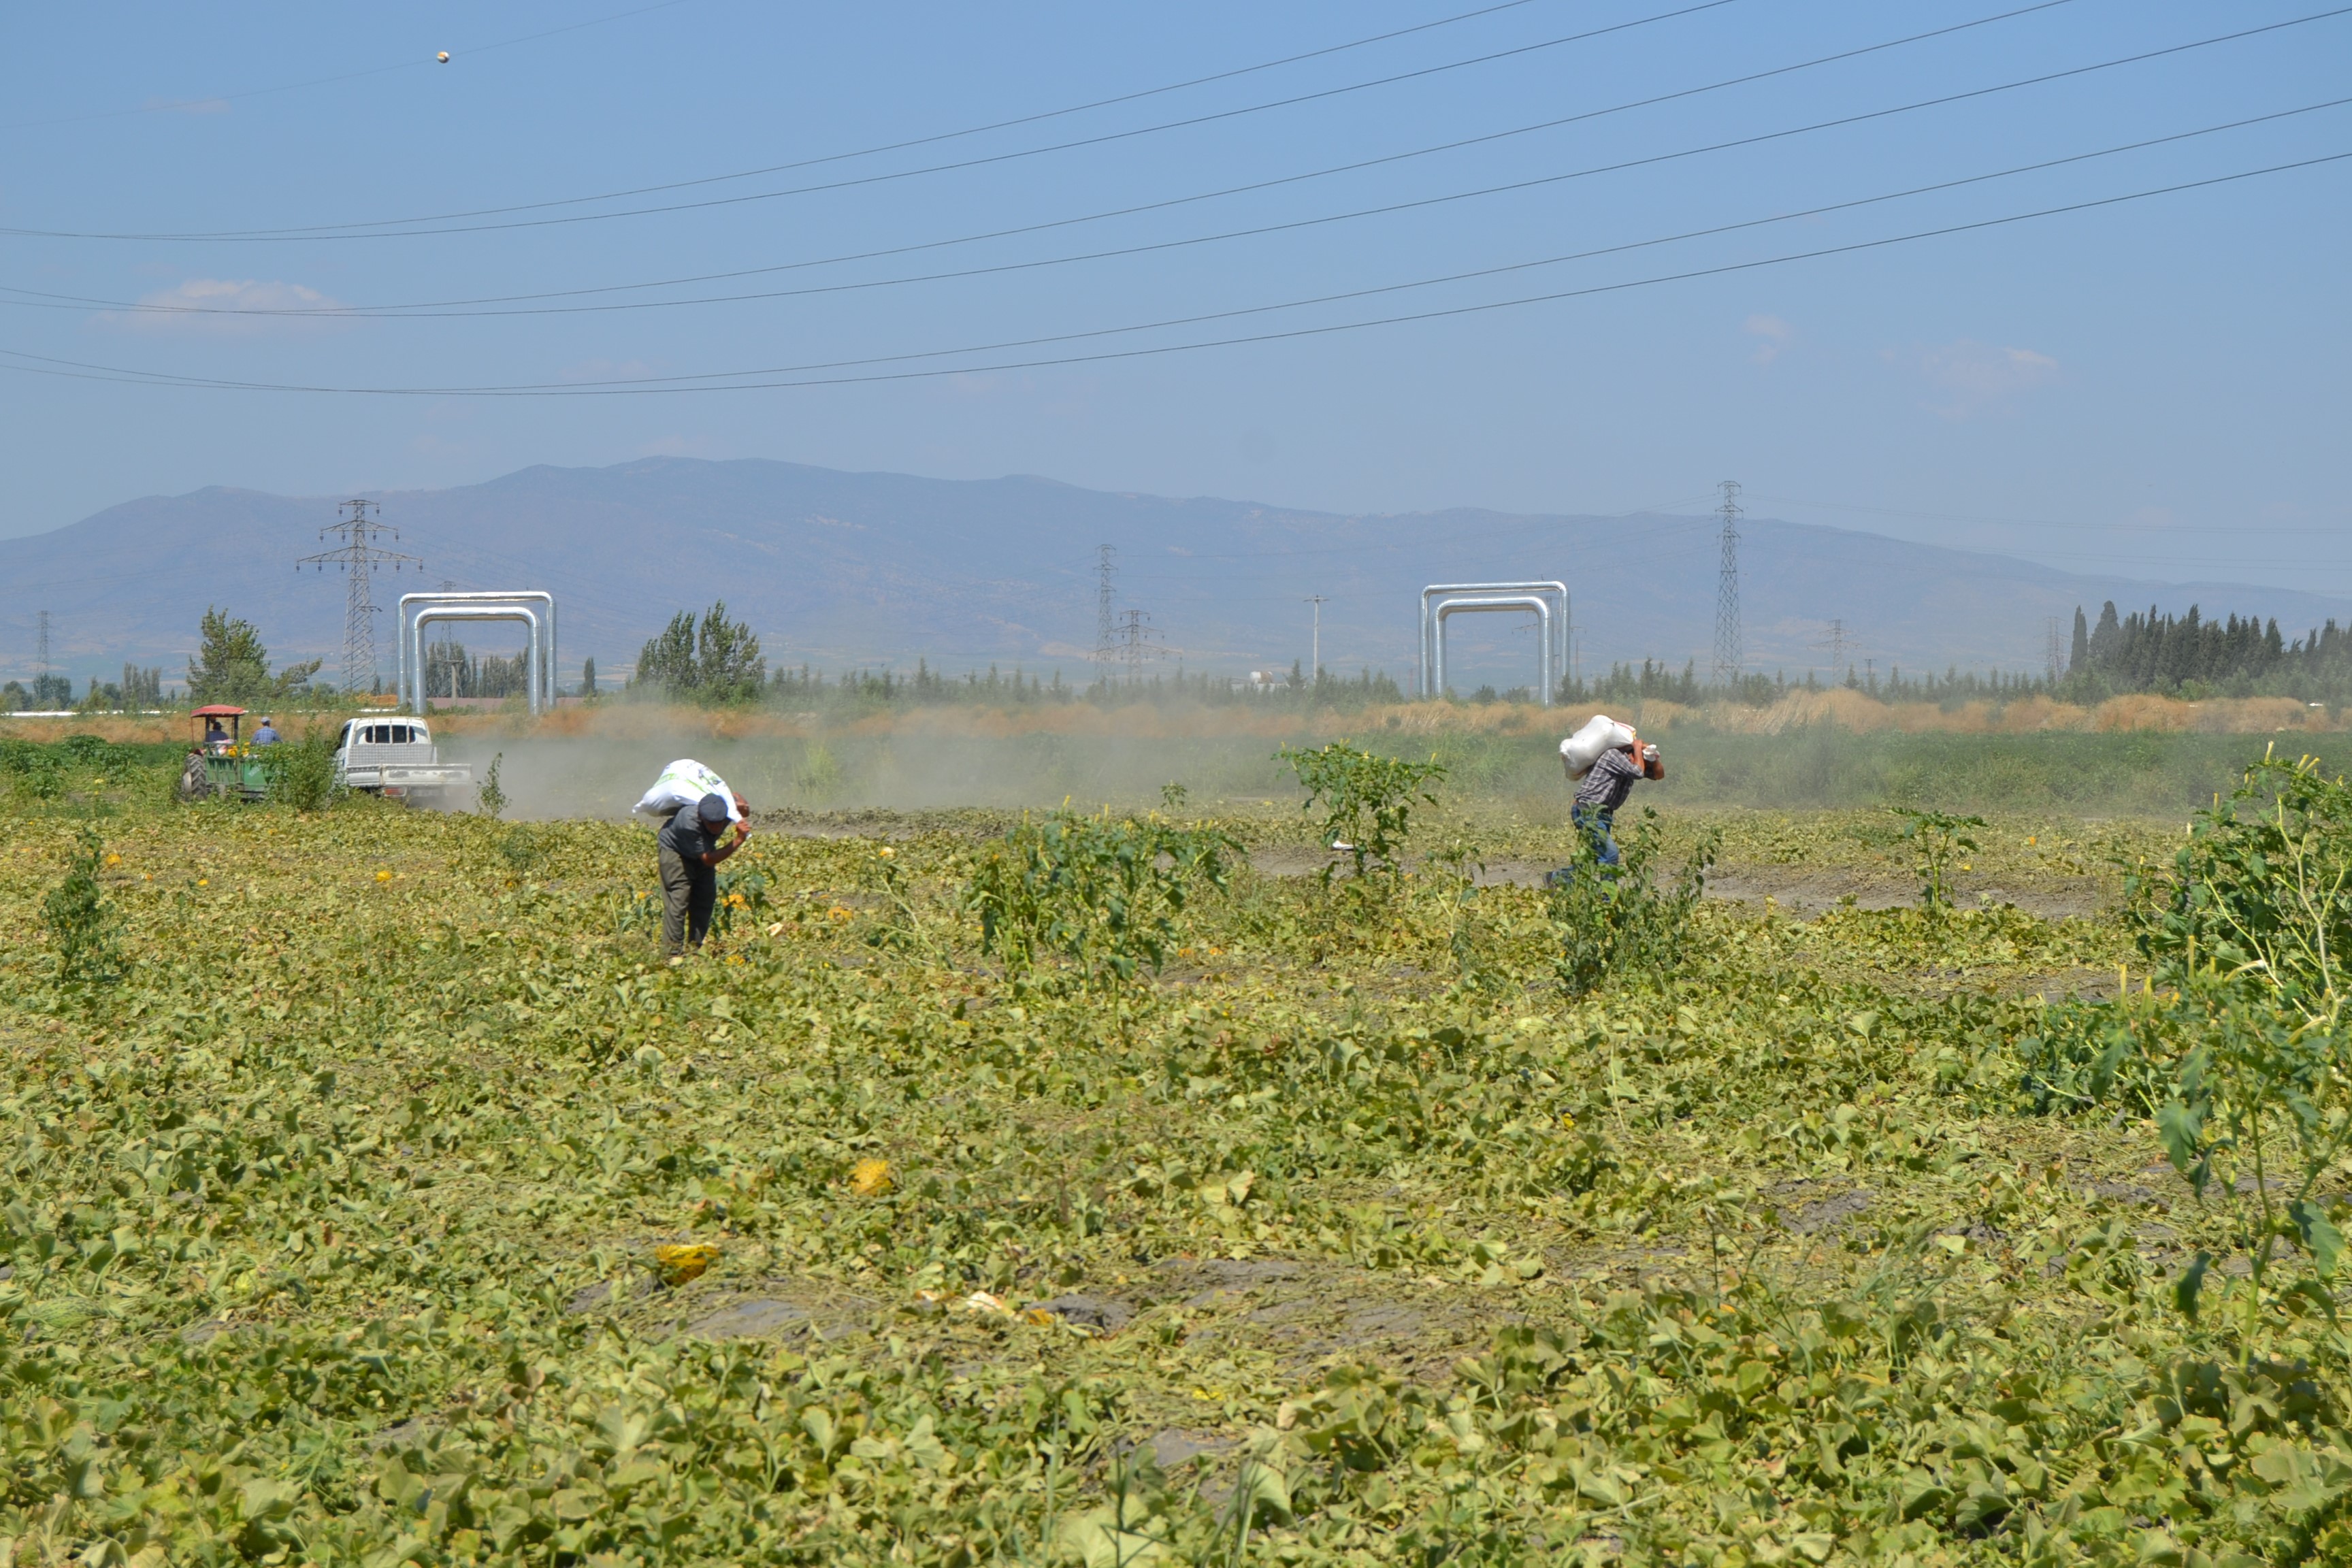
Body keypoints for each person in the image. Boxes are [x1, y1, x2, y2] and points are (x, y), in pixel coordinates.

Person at [658, 791, 751, 955]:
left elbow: (744, 809)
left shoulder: (726, 810)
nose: (716, 828)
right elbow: (708, 859)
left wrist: (740, 802)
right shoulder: (689, 822)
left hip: (703, 850)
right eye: (711, 824)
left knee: (705, 899)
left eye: (719, 823)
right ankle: (672, 954)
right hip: (676, 851)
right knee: (679, 900)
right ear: (701, 817)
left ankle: (695, 950)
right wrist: (738, 841)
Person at [1566, 732, 1664, 880]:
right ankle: (1607, 899)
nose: (1641, 763)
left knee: (1593, 857)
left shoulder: (1632, 763)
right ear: (1630, 752)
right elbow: (1638, 772)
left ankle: (1556, 878)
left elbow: (1658, 775)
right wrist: (1638, 747)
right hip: (1588, 810)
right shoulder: (1613, 755)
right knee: (1610, 854)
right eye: (1639, 757)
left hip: (1603, 814)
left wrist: (1652, 755)